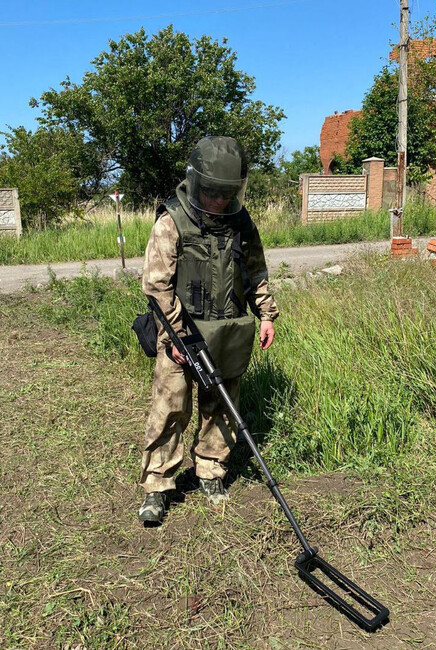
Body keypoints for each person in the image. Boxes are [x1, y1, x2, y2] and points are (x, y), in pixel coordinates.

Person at [138, 135, 280, 524]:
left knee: (221, 408)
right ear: (198, 182)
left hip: (228, 329)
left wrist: (266, 314)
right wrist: (175, 336)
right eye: (213, 192)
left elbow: (255, 272)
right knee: (170, 408)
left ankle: (210, 471)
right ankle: (157, 486)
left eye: (227, 193)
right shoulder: (172, 221)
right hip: (181, 334)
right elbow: (157, 286)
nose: (219, 201)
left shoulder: (241, 222)